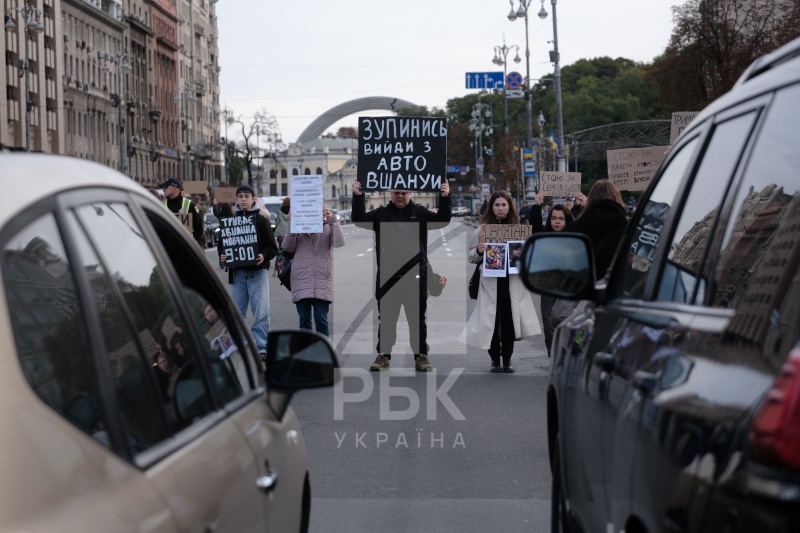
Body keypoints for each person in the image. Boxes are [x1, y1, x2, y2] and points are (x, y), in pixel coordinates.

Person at [352, 180, 451, 372]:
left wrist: (445, 197)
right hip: (388, 278)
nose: (400, 196)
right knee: (387, 319)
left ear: (411, 192)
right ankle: (383, 356)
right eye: (397, 192)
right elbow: (359, 219)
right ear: (390, 193)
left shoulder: (420, 214)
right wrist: (358, 195)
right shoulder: (381, 214)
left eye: (404, 193)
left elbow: (442, 220)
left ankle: (421, 356)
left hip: (415, 277)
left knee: (417, 319)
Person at [463, 191, 541, 373]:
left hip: (511, 282)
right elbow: (471, 256)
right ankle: (494, 360)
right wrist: (481, 252)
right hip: (490, 284)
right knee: (490, 322)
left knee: (508, 324)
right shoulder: (482, 230)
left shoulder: (518, 230)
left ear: (509, 207)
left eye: (504, 205)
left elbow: (528, 255)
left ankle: (507, 359)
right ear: (492, 208)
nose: (500, 208)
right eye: (497, 205)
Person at [217, 184, 279, 359]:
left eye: (247, 196)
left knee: (260, 312)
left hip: (257, 274)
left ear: (253, 199)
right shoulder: (230, 220)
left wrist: (263, 255)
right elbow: (223, 246)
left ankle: (262, 347)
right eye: (240, 196)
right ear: (236, 199)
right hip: (236, 275)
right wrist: (223, 256)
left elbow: (272, 247)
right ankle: (240, 346)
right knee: (237, 312)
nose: (243, 199)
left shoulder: (261, 220)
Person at [281, 206, 345, 337]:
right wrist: (292, 224)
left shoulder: (327, 225)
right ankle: (307, 353)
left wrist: (332, 220)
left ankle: (323, 353)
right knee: (304, 320)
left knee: (321, 318)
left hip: (322, 278)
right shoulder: (297, 226)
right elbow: (287, 247)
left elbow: (339, 242)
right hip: (301, 278)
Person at [530, 193, 574, 355]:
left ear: (567, 220)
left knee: (567, 321)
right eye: (554, 218)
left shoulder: (573, 236)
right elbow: (535, 228)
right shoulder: (544, 236)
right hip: (548, 288)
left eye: (561, 218)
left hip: (568, 288)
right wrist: (536, 206)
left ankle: (566, 353)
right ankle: (553, 353)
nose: (557, 221)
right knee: (549, 324)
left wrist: (580, 207)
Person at [565, 180, 627, 279]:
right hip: (616, 291)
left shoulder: (573, 228)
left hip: (582, 290)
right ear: (617, 199)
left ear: (590, 199)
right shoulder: (628, 229)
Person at [159, 177, 205, 248]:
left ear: (174, 189)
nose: (163, 189)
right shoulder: (161, 205)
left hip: (185, 247)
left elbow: (199, 229)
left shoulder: (189, 205)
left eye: (166, 187)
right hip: (167, 249)